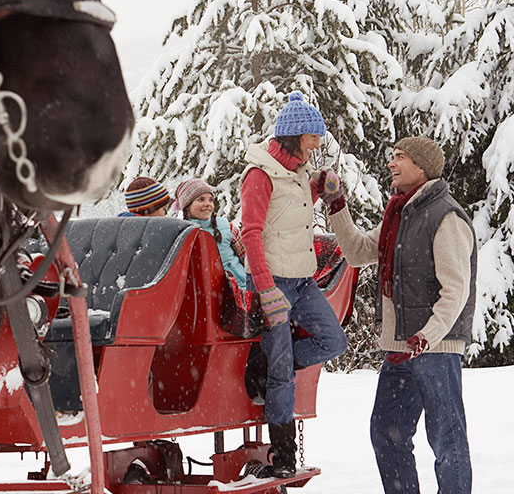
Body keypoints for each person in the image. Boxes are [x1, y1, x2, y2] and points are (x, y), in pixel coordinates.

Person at [319, 136, 475, 494]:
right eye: (391, 156)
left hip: (436, 346)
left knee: (447, 440)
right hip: (404, 347)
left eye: (400, 157)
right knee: (387, 432)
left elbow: (456, 289)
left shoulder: (445, 216)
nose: (391, 163)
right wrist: (336, 203)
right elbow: (358, 252)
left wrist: (428, 336)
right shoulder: (399, 216)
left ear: (421, 167)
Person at [239, 91, 347, 478]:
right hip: (274, 283)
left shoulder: (295, 172)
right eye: (313, 137)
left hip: (301, 280)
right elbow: (250, 234)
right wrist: (266, 291)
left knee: (333, 341)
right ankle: (283, 457)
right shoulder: (259, 175)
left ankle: (265, 363)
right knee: (284, 374)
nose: (318, 144)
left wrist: (319, 185)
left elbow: (292, 209)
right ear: (295, 136)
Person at [171, 178, 247, 289]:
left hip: (240, 288)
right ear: (187, 206)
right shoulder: (182, 234)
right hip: (209, 296)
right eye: (201, 199)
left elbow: (245, 256)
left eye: (210, 200)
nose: (207, 204)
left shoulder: (226, 227)